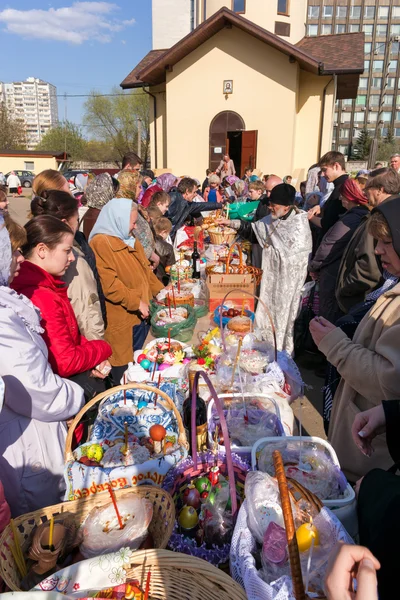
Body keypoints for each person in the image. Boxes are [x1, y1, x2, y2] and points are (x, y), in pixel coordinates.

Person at [309, 196, 400, 482]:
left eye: (386, 242)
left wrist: (335, 344)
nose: (377, 250)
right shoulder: (394, 282)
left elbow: (389, 381)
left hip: (373, 462)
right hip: (363, 435)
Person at [0, 214, 84, 516]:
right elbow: (36, 389)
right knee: (45, 525)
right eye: (13, 251)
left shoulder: (9, 301)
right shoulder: (3, 318)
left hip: (34, 429)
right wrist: (79, 393)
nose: (21, 258)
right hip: (26, 440)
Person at [11, 216, 111, 397]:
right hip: (60, 395)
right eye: (67, 250)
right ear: (42, 250)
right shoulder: (41, 295)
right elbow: (65, 361)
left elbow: (69, 337)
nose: (72, 257)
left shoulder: (48, 286)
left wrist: (94, 357)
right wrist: (102, 348)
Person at [223, 183, 312, 354]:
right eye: (270, 204)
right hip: (271, 279)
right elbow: (253, 231)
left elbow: (298, 258)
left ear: (287, 206)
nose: (270, 207)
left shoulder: (299, 224)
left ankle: (281, 352)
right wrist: (229, 222)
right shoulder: (272, 219)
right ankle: (264, 348)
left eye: (274, 205)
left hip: (288, 284)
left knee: (282, 317)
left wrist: (275, 253)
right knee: (265, 312)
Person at [89, 199, 164, 383]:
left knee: (140, 366)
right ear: (118, 220)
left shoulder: (130, 240)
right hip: (123, 319)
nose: (134, 226)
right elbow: (110, 286)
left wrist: (162, 293)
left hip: (141, 316)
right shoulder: (101, 243)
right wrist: (136, 302)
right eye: (132, 222)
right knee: (124, 372)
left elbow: (146, 271)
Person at [30, 190, 105, 341]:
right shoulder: (73, 260)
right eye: (77, 219)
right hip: (76, 347)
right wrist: (99, 349)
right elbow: (87, 309)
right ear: (65, 224)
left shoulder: (30, 246)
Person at [335, 168, 400, 314]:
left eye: (367, 188)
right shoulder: (388, 212)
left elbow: (368, 267)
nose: (364, 192)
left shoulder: (382, 218)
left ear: (379, 190)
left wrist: (344, 290)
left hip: (361, 301)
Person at [309, 178, 370, 323]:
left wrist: (313, 266)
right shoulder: (361, 215)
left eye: (343, 195)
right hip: (340, 274)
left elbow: (329, 245)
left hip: (333, 276)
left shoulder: (350, 220)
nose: (341, 198)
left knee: (328, 319)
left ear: (350, 196)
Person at [116, 171, 159, 268]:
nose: (141, 190)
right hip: (139, 261)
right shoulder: (125, 208)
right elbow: (135, 234)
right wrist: (151, 254)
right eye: (139, 187)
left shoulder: (131, 204)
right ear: (129, 187)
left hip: (144, 259)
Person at [308, 152, 348, 236]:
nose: (322, 174)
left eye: (324, 170)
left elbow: (328, 223)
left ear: (336, 166)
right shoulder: (341, 185)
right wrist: (320, 207)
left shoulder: (343, 188)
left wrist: (310, 217)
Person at [82, 172, 119, 239]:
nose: (115, 197)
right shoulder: (100, 215)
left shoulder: (92, 211)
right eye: (114, 193)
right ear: (106, 192)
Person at [153, 216, 175, 284]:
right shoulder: (168, 248)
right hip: (163, 281)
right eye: (168, 233)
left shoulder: (147, 243)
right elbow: (171, 270)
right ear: (164, 232)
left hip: (150, 280)